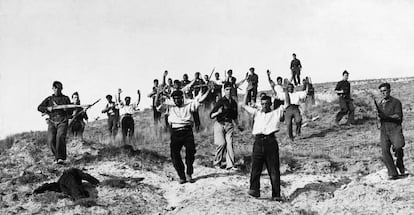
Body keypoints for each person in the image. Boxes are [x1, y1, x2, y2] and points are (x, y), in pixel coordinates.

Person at [156, 86, 212, 184]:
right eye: (175, 99)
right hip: (175, 132)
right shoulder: (169, 106)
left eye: (179, 98)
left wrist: (207, 90)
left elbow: (200, 100)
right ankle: (181, 176)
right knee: (174, 155)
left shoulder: (189, 104)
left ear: (182, 98)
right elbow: (158, 106)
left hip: (187, 131)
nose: (177, 100)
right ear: (173, 99)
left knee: (191, 152)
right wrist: (158, 94)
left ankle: (189, 173)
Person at [241, 90, 289, 202]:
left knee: (273, 169)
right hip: (258, 142)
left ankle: (276, 194)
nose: (264, 106)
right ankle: (254, 190)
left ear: (270, 104)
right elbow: (243, 105)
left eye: (267, 104)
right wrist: (248, 91)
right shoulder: (257, 113)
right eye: (262, 104)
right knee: (255, 167)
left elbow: (286, 104)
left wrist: (285, 91)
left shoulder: (276, 113)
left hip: (270, 142)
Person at [373, 83, 406, 180]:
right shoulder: (379, 104)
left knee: (399, 147)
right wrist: (378, 120)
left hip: (395, 128)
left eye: (385, 90)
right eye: (381, 91)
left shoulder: (396, 102)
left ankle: (400, 163)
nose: (383, 93)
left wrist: (386, 117)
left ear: (389, 90)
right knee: (385, 151)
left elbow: (399, 116)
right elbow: (378, 119)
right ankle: (393, 173)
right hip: (384, 130)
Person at [38, 81, 72, 164]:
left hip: (63, 121)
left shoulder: (66, 98)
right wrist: (47, 109)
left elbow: (70, 112)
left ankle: (60, 158)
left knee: (60, 137)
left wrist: (66, 109)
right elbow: (39, 107)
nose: (57, 90)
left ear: (62, 89)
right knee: (50, 140)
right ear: (53, 88)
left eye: (59, 88)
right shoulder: (49, 99)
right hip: (52, 121)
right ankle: (57, 157)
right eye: (56, 88)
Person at [210, 82, 241, 170]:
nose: (229, 91)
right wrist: (218, 112)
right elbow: (211, 115)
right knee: (221, 143)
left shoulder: (234, 103)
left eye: (230, 90)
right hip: (220, 124)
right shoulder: (220, 101)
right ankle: (216, 163)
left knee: (230, 144)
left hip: (229, 125)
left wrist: (238, 125)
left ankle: (230, 165)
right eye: (227, 89)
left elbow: (234, 117)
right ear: (224, 90)